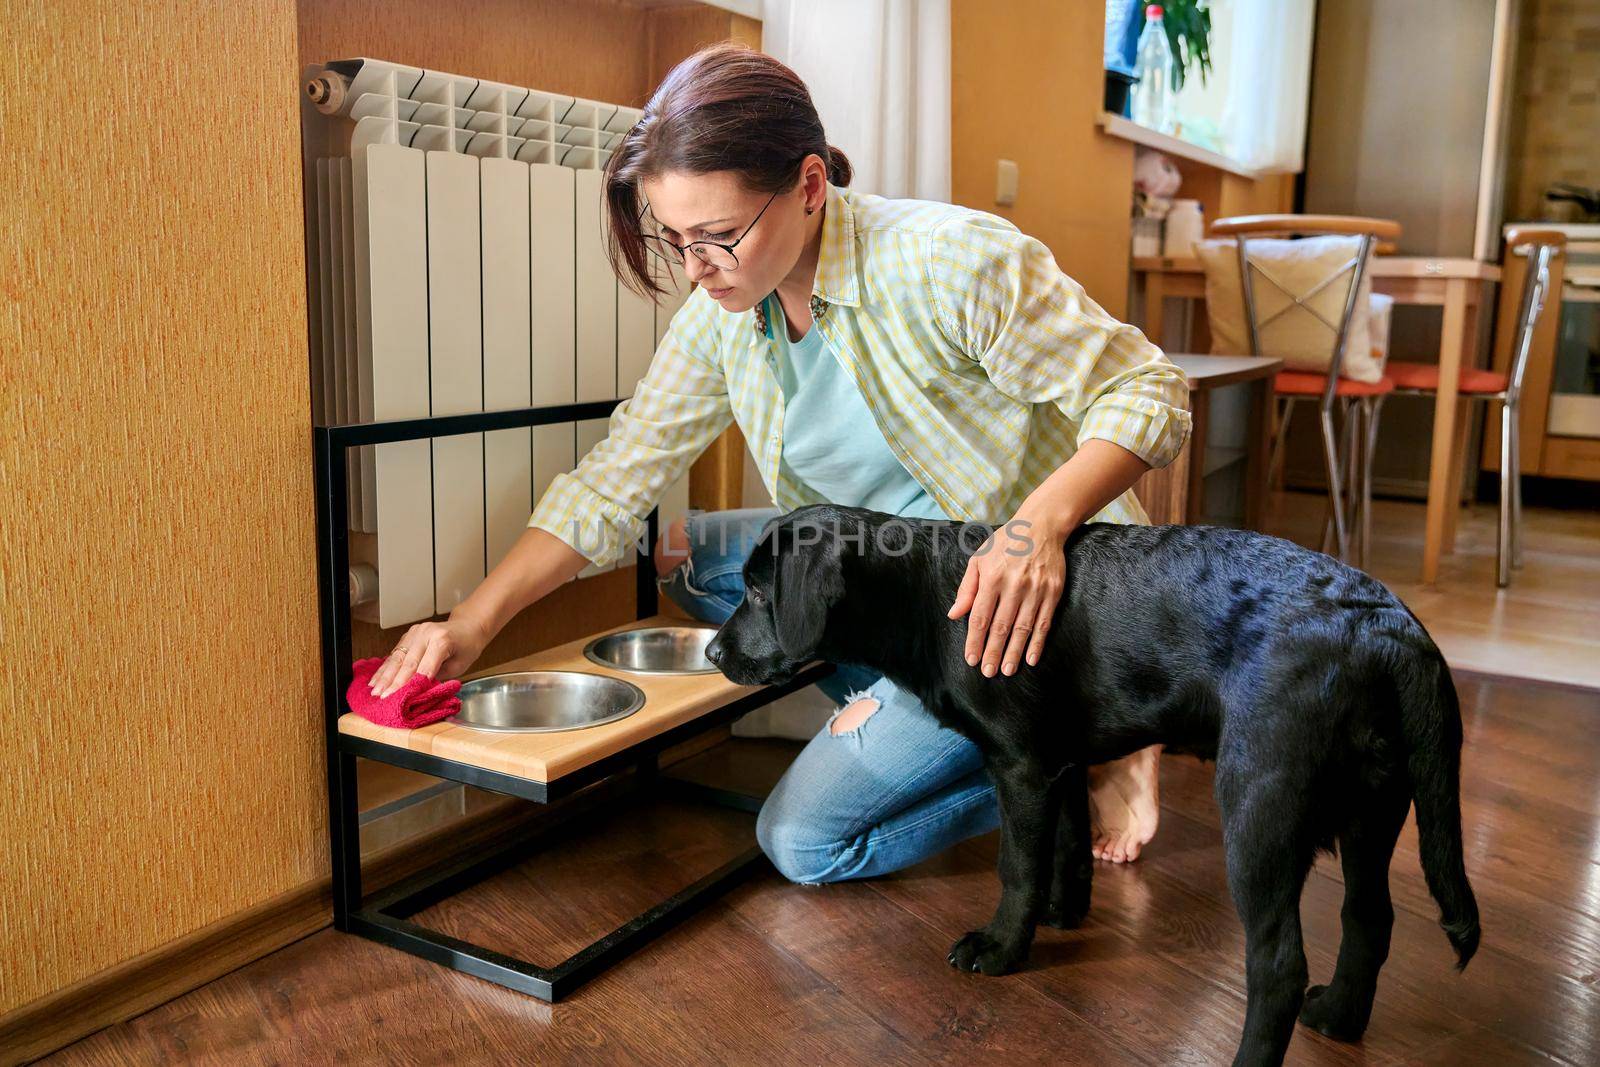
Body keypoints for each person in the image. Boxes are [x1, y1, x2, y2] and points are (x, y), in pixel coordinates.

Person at [363, 41, 1191, 869]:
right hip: (897, 575)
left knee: (804, 841)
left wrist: (1036, 530)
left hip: (1020, 587)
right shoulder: (723, 315)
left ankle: (1080, 734)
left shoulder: (952, 261)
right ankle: (932, 710)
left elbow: (1151, 392)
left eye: (718, 235)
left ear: (806, 184)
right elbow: (616, 479)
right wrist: (471, 623)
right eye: (678, 239)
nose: (698, 270)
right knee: (688, 555)